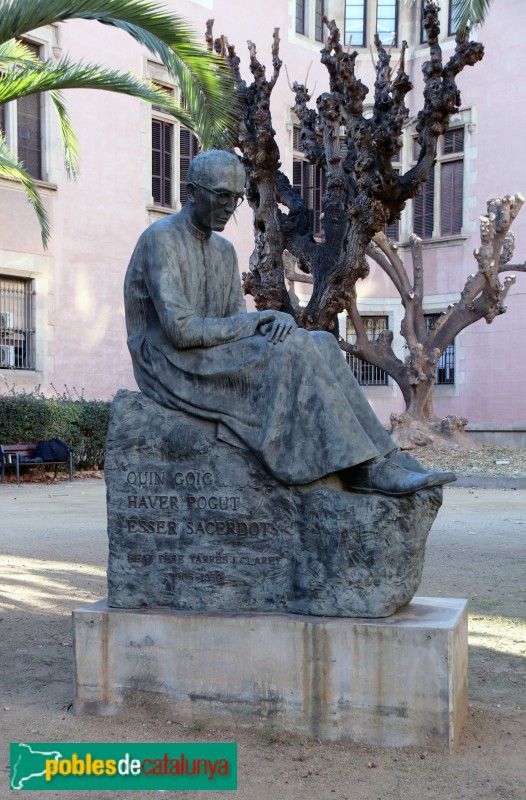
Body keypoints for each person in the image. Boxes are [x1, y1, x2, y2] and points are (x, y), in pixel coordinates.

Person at [124, 150, 454, 495]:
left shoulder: (222, 250)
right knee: (293, 349)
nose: (228, 207)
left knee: (321, 342)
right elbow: (181, 331)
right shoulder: (160, 239)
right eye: (221, 196)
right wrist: (257, 323)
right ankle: (363, 468)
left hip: (207, 350)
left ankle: (383, 457)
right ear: (193, 192)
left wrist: (267, 323)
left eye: (235, 200)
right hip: (168, 362)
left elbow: (235, 321)